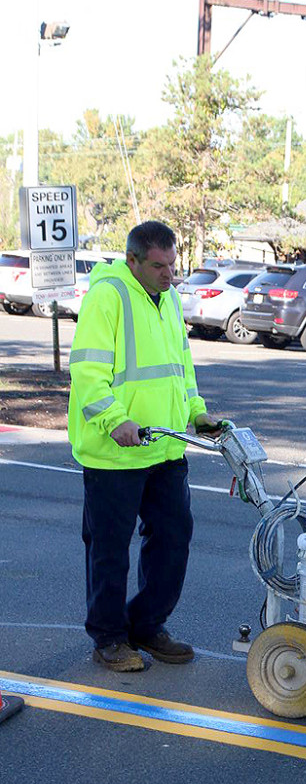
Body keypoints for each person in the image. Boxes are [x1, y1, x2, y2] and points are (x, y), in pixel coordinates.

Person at [68, 220, 220, 672]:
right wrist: (115, 421)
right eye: (158, 266)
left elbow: (180, 366)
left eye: (172, 265)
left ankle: (147, 625)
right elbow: (89, 372)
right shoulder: (108, 296)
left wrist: (197, 411)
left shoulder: (169, 297)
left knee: (174, 539)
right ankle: (110, 638)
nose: (168, 274)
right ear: (132, 260)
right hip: (114, 454)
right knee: (109, 550)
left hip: (166, 447)